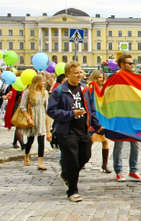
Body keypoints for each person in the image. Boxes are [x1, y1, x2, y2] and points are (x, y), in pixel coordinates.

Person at [47, 61, 103, 202]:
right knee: (72, 159)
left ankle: (67, 173)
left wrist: (97, 126)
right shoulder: (59, 91)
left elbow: (92, 110)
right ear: (68, 74)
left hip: (83, 130)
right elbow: (51, 111)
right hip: (66, 131)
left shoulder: (85, 90)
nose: (80, 75)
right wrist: (71, 114)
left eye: (81, 72)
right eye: (76, 73)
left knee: (85, 156)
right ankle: (72, 190)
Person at [112, 54, 141, 182]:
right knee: (119, 144)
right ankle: (118, 171)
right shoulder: (115, 78)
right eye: (129, 63)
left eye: (132, 63)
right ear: (122, 65)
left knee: (135, 144)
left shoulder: (135, 77)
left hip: (133, 116)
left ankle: (133, 171)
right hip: (120, 116)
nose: (132, 65)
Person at [20, 74, 51, 170]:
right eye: (42, 81)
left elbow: (47, 108)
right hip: (32, 116)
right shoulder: (28, 92)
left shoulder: (45, 93)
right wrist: (28, 118)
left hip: (41, 116)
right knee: (30, 139)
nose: (44, 83)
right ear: (37, 82)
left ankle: (40, 162)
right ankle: (26, 155)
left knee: (41, 139)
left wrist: (48, 125)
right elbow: (22, 107)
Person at [88, 70, 112, 173]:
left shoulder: (102, 89)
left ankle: (104, 165)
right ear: (94, 78)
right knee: (90, 142)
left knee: (105, 142)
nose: (101, 79)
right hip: (94, 120)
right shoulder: (91, 88)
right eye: (99, 77)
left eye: (102, 77)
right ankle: (82, 161)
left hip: (101, 120)